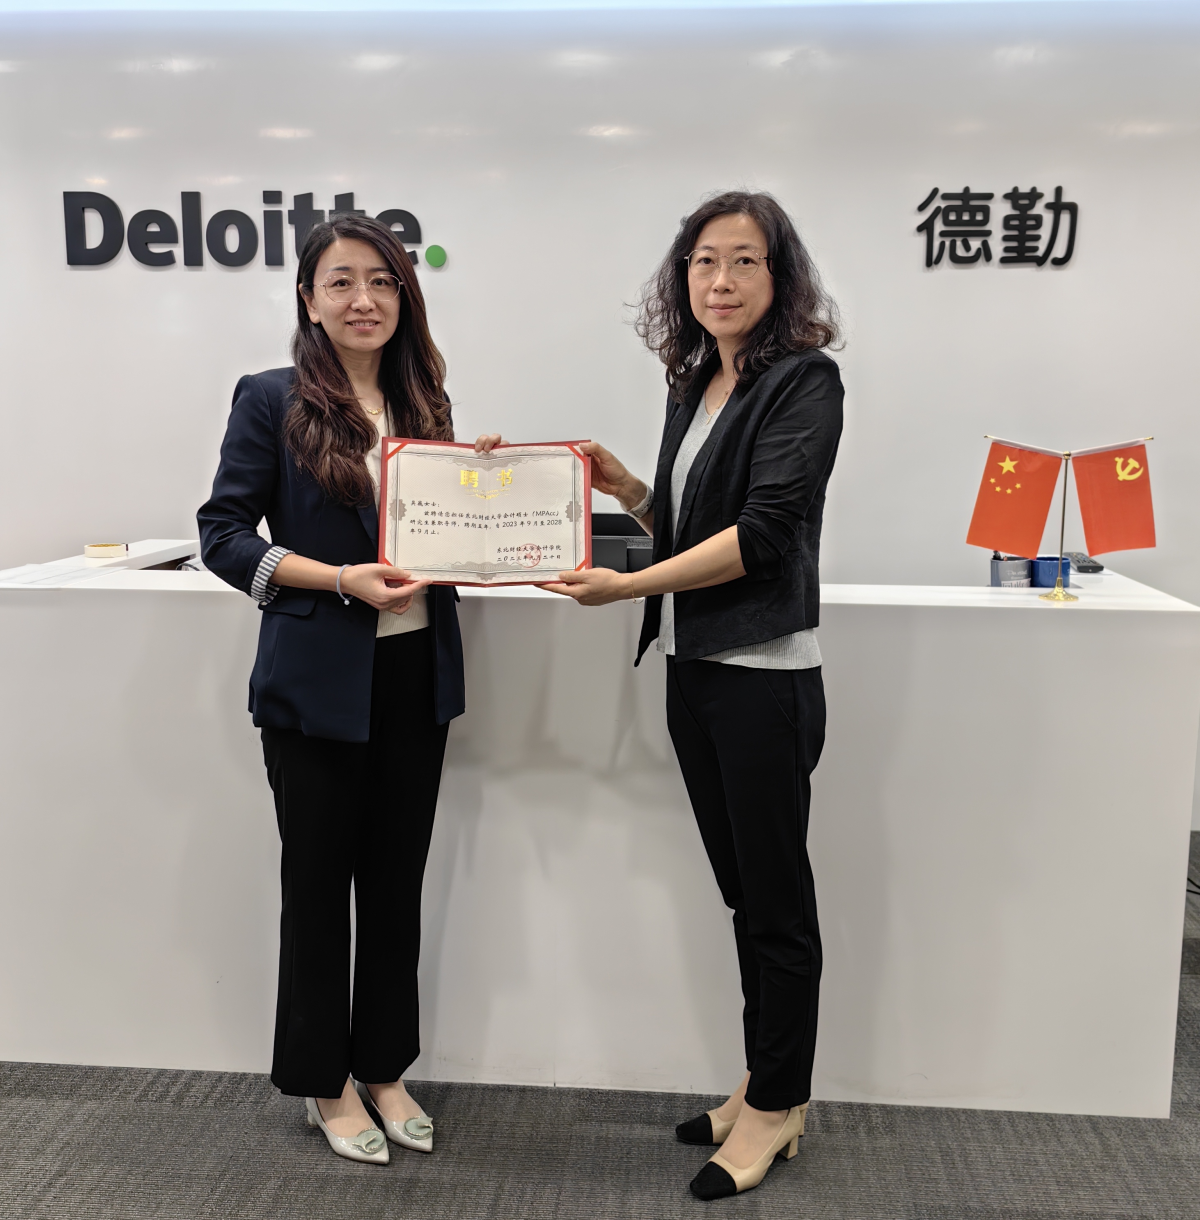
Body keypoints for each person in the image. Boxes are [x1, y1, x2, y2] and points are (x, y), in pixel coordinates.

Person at [537, 190, 843, 1199]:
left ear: (778, 276)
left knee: (777, 904)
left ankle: (778, 1105)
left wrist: (628, 587)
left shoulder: (804, 380)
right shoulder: (695, 380)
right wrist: (627, 486)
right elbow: (691, 521)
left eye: (744, 260)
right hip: (693, 671)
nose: (720, 280)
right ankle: (763, 1078)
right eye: (704, 261)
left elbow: (761, 534)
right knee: (743, 894)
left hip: (763, 677)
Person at [198, 215, 465, 1165]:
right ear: (310, 299)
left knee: (396, 885)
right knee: (317, 888)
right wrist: (340, 578)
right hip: (317, 682)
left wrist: (488, 496)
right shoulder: (271, 398)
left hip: (415, 673)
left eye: (382, 281)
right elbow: (223, 536)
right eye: (342, 282)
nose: (364, 300)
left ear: (405, 296)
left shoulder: (425, 399)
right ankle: (325, 1081)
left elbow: (442, 535)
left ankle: (384, 1068)